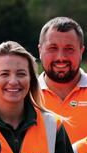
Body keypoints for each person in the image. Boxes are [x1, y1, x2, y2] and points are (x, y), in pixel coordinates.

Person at [38, 16, 87, 144]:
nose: (61, 57)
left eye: (69, 49)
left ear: (81, 51)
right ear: (40, 51)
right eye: (52, 48)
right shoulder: (24, 96)